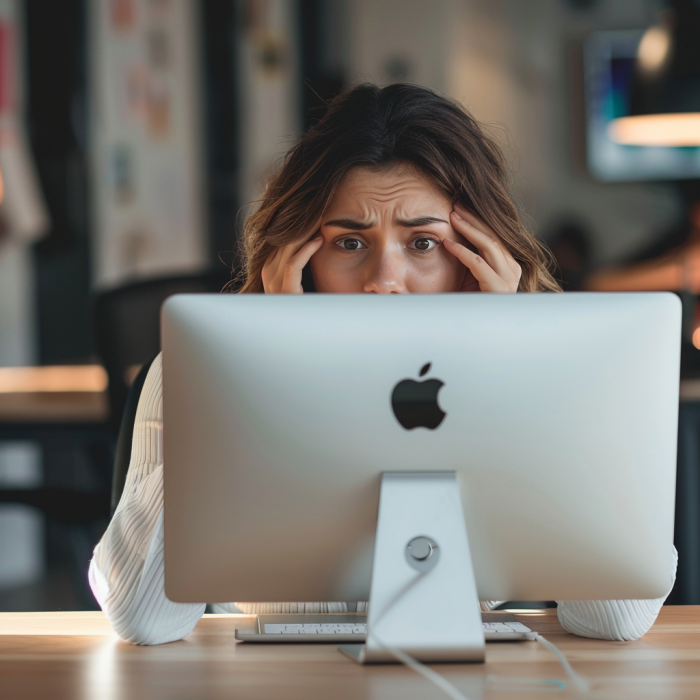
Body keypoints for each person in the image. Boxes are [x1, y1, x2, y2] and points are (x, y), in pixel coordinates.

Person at [89, 83, 677, 645]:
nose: (384, 284)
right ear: (299, 254)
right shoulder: (203, 368)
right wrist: (253, 369)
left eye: (423, 244)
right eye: (349, 242)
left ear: (478, 255)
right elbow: (142, 617)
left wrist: (516, 356)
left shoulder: (565, 369)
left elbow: (617, 616)